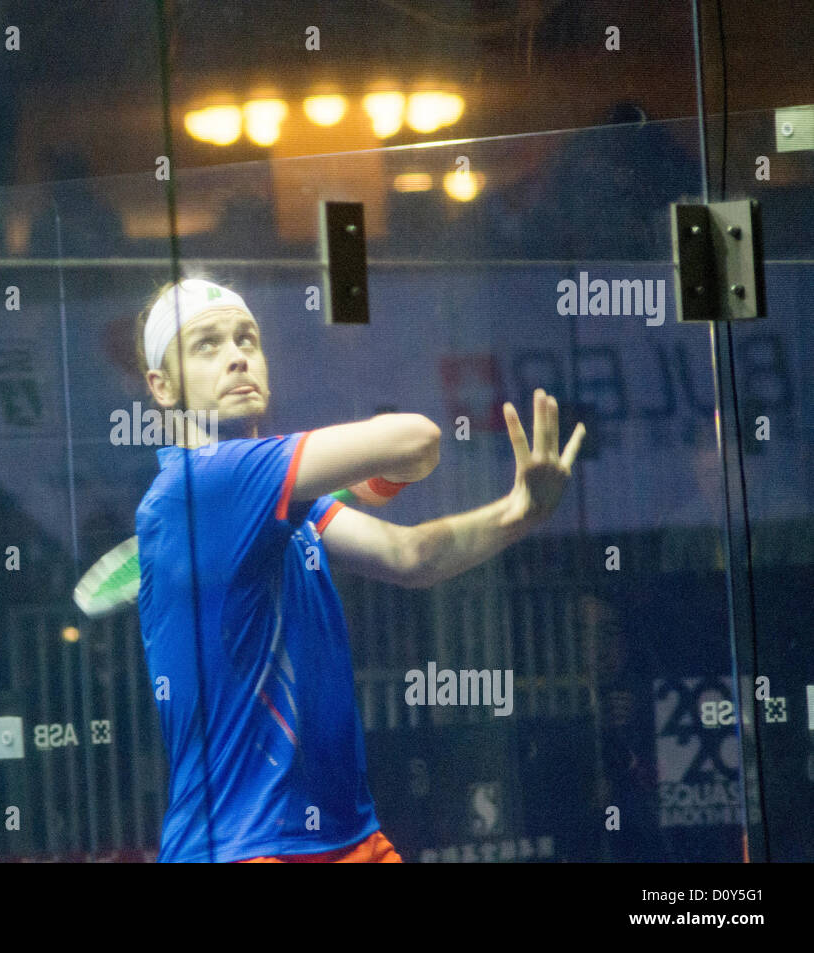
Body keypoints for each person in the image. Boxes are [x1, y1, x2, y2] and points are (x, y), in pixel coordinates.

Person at [133, 278, 585, 863]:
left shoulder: (280, 499)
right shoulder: (207, 483)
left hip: (349, 840)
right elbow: (416, 439)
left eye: (247, 338)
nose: (238, 355)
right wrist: (370, 479)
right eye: (207, 345)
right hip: (241, 850)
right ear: (162, 387)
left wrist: (519, 513)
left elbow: (411, 557)